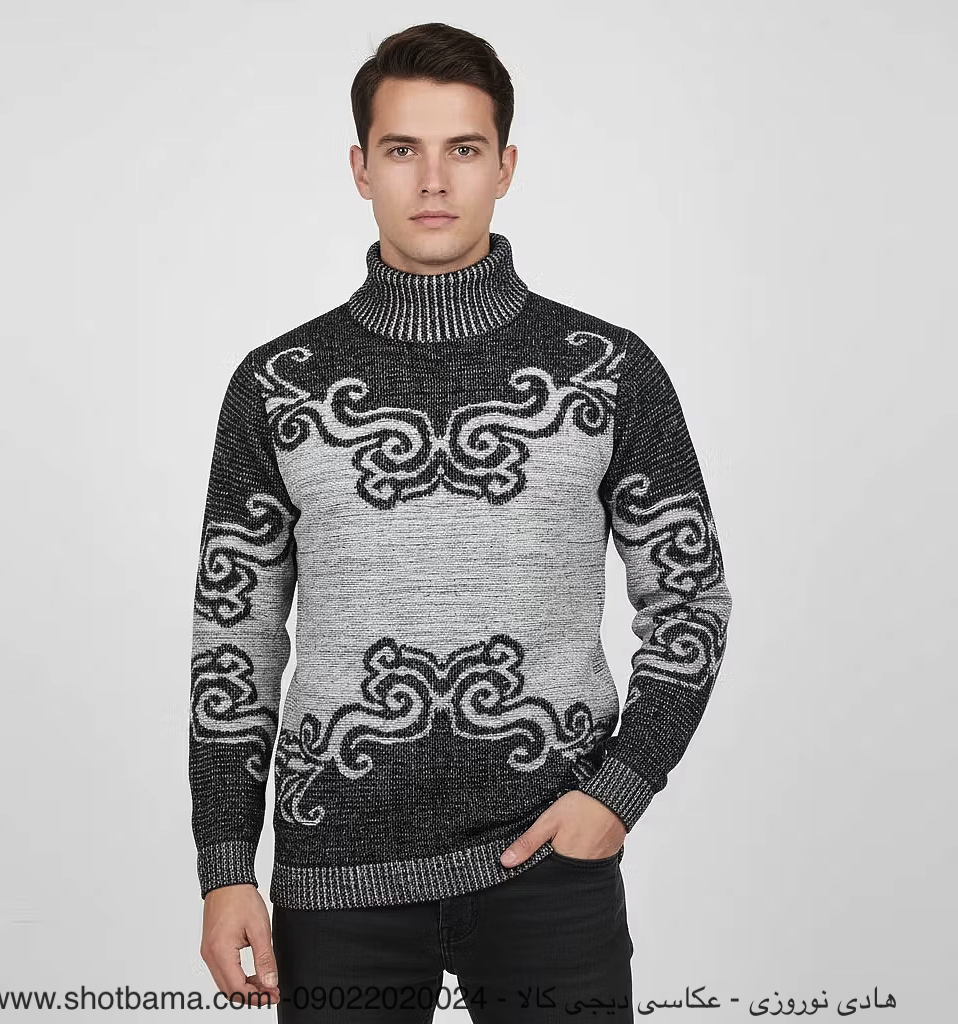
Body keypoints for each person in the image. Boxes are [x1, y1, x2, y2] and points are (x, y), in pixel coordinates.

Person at [189, 21, 732, 1022]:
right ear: (361, 168)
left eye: (464, 149)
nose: (433, 180)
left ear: (505, 167)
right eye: (402, 149)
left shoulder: (607, 371)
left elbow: (688, 603)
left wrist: (620, 790)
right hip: (335, 881)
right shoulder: (276, 386)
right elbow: (236, 637)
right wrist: (225, 865)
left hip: (550, 869)